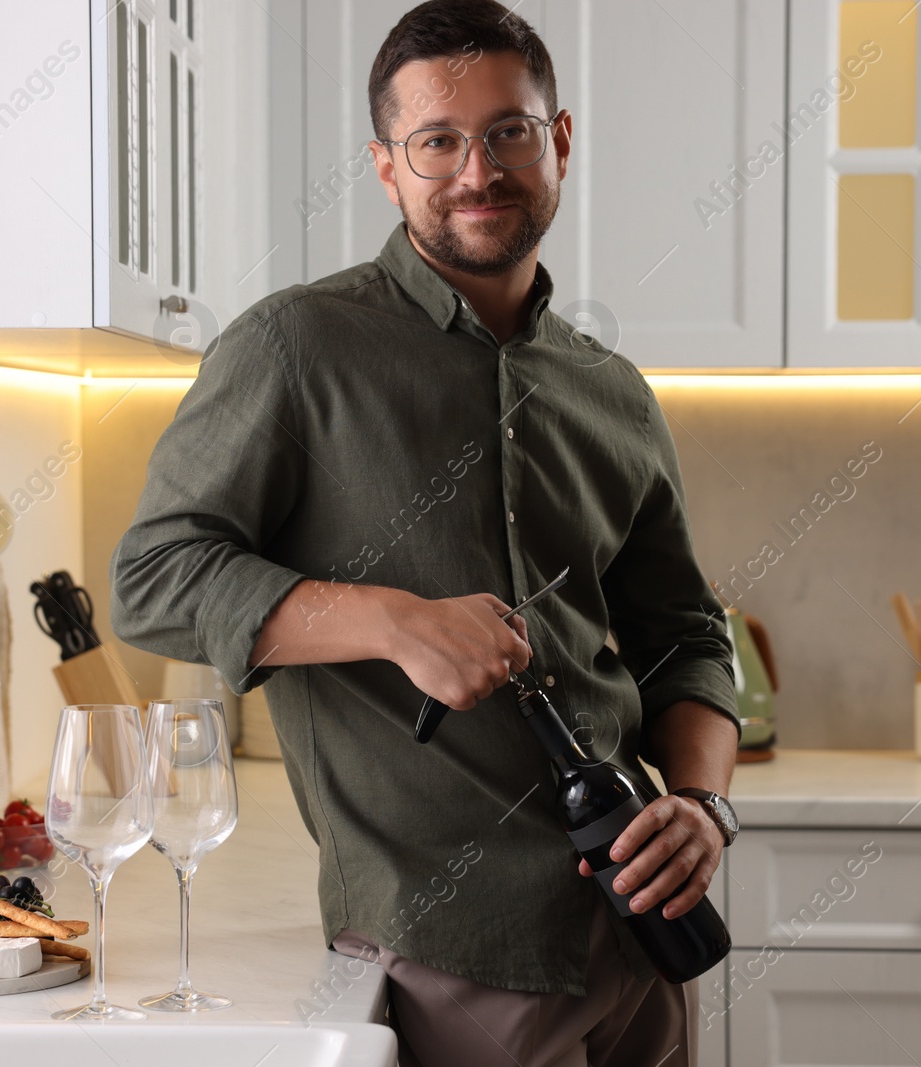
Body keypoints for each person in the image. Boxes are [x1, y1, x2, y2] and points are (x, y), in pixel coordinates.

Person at [110, 1, 740, 1063]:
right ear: (385, 166)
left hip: (643, 940)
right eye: (436, 141)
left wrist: (703, 803)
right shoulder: (294, 347)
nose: (476, 170)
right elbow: (155, 578)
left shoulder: (613, 392)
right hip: (450, 950)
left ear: (561, 142)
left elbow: (685, 637)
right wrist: (390, 620)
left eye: (509, 132)